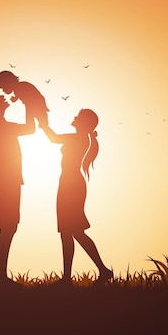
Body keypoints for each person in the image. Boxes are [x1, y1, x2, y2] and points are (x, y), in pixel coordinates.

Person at [40, 109, 113, 286]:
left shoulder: (78, 138)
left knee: (74, 232)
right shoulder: (81, 138)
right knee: (70, 233)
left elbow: (54, 138)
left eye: (79, 117)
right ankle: (72, 277)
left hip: (70, 186)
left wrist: (43, 124)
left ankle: (96, 272)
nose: (74, 117)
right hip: (69, 184)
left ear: (85, 123)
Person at [0, 88, 35, 286]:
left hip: (7, 180)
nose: (3, 97)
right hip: (6, 181)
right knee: (7, 227)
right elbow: (30, 129)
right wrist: (30, 103)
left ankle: (1, 277)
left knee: (8, 227)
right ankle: (0, 278)